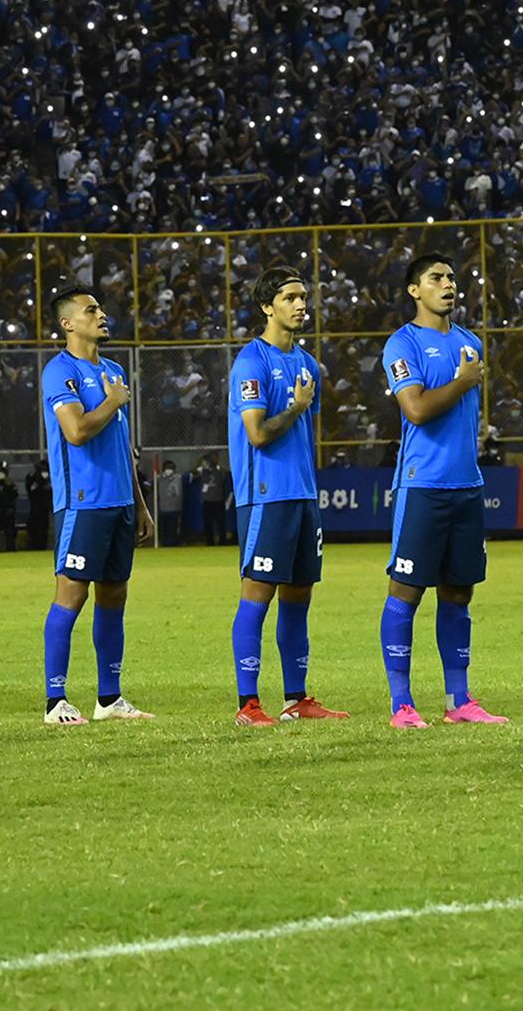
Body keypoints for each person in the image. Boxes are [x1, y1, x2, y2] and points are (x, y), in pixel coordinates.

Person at [377, 253, 506, 728]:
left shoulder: (469, 342)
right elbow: (415, 409)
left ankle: (459, 701)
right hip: (422, 486)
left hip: (466, 486)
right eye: (436, 278)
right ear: (415, 290)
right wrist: (461, 381)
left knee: (458, 593)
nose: (448, 285)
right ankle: (402, 704)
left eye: (452, 278)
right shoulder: (402, 344)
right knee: (406, 591)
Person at [229, 266, 347, 726]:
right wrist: (296, 406)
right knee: (257, 597)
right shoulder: (250, 362)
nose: (301, 305)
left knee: (299, 598)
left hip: (301, 495)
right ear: (266, 306)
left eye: (304, 297)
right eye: (291, 298)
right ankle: (248, 704)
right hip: (265, 497)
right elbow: (257, 434)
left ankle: (296, 699)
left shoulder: (305, 362)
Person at [39, 284, 158, 726]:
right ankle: (55, 701)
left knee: (114, 597)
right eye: (91, 310)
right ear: (67, 323)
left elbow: (122, 447)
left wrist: (141, 505)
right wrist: (112, 400)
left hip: (120, 503)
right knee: (71, 594)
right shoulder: (59, 371)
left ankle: (109, 699)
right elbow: (76, 431)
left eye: (102, 309)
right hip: (82, 504)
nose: (102, 315)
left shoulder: (112, 369)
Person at [154, 459, 182, 546]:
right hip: (163, 509)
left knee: (173, 529)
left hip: (174, 509)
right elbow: (150, 485)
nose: (168, 470)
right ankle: (164, 544)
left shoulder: (178, 477)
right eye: (167, 468)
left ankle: (173, 544)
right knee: (163, 530)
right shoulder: (159, 478)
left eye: (171, 468)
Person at [24, 463, 51, 550]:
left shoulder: (51, 480)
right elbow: (31, 491)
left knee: (43, 530)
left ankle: (42, 547)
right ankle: (32, 547)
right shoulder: (33, 479)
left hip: (45, 509)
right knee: (33, 529)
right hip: (35, 508)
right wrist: (40, 482)